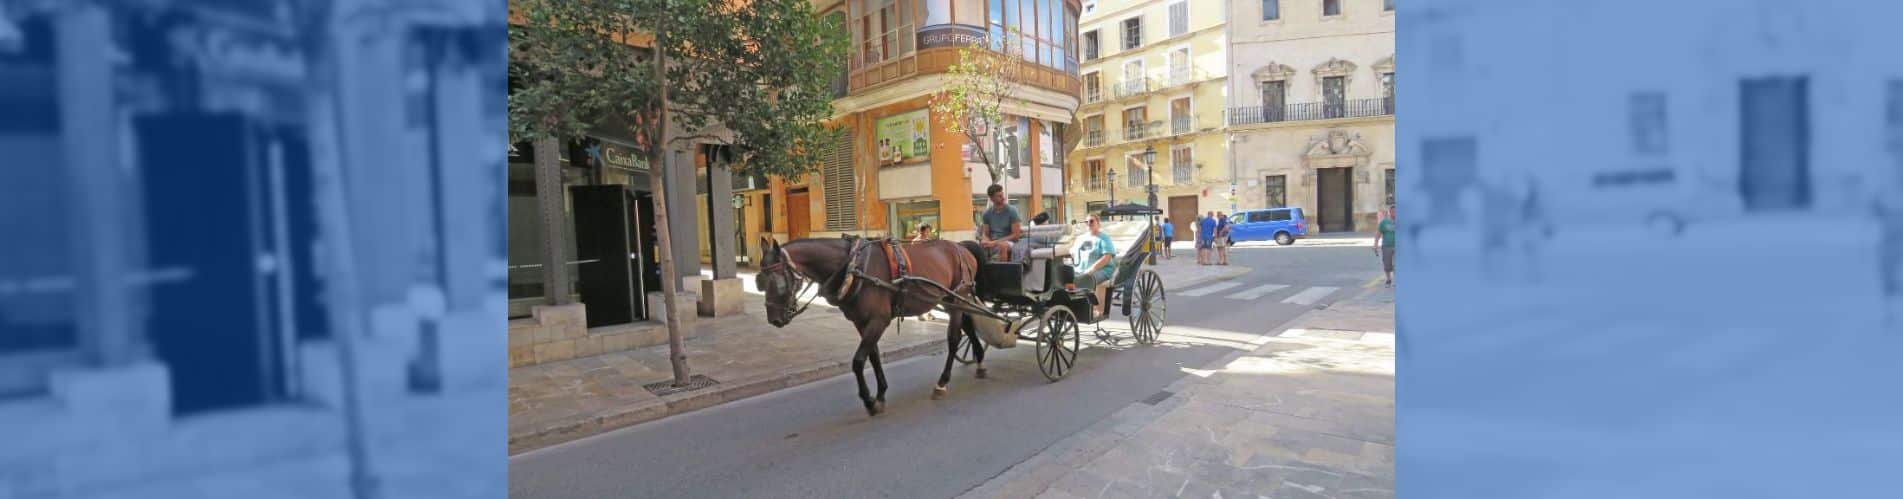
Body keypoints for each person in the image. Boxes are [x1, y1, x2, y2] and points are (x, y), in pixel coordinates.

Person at [1072, 216, 1117, 309]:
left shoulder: (1104, 238)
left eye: (1091, 221)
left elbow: (1107, 257)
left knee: (1086, 279)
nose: (1089, 223)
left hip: (1102, 270)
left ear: (1098, 223)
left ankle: (1092, 308)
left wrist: (1092, 270)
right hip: (1081, 269)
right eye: (1086, 221)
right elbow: (1072, 252)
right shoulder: (1081, 238)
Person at [976, 184, 1023, 261]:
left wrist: (994, 242)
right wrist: (985, 240)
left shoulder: (1012, 211)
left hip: (1009, 242)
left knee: (1002, 246)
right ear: (992, 199)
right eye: (999, 196)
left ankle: (1002, 272)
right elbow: (986, 233)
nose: (1003, 198)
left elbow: (1016, 236)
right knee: (978, 247)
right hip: (993, 241)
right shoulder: (987, 214)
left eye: (1002, 195)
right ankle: (984, 271)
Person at [1374, 206, 1396, 286]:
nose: (1394, 213)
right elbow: (1378, 234)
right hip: (1387, 245)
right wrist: (1375, 244)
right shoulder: (1384, 222)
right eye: (1392, 211)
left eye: (1396, 211)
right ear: (1389, 212)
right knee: (1387, 264)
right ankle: (1388, 279)